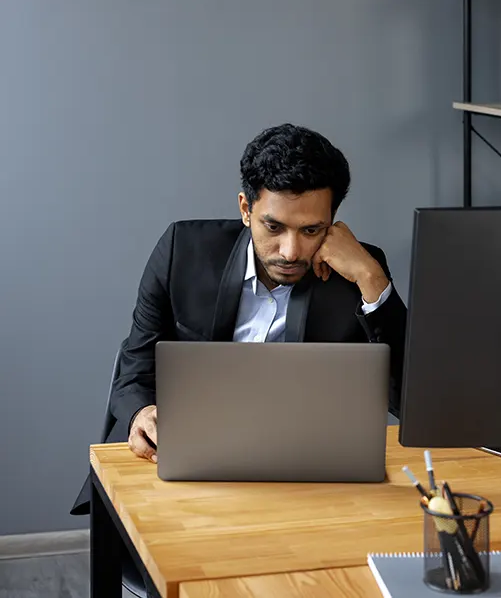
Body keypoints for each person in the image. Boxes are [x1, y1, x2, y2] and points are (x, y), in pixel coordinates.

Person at [71, 123, 406, 516]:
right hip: (182, 462)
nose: (291, 251)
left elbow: (410, 403)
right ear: (246, 209)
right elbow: (134, 366)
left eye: (312, 229)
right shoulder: (183, 250)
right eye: (274, 226)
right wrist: (141, 413)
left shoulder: (359, 272)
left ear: (332, 221)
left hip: (305, 475)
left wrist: (372, 279)